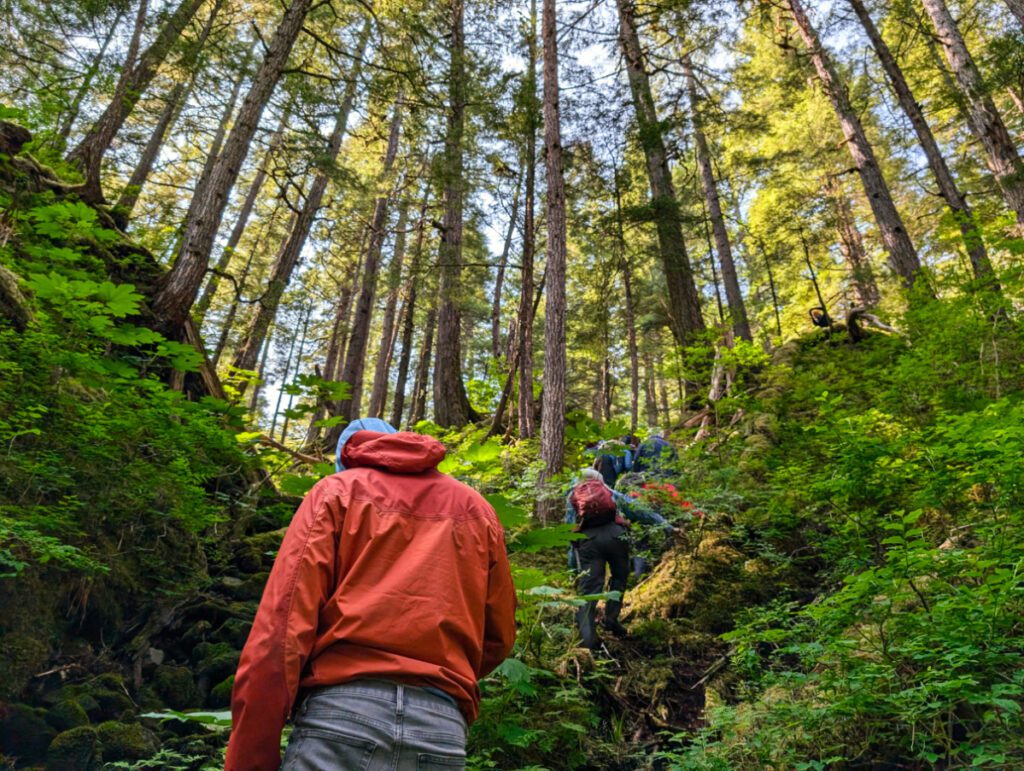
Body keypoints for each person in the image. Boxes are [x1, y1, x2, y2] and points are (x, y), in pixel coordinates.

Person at [225, 418, 517, 771]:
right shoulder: (476, 510)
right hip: (440, 729)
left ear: (347, 456)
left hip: (340, 718)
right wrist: (441, 675)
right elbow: (498, 636)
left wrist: (250, 759)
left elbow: (281, 631)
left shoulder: (334, 494)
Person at [564, 469, 672, 650]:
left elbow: (570, 530)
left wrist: (574, 568)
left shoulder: (573, 497)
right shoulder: (610, 493)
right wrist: (667, 526)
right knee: (620, 577)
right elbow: (639, 510)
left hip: (588, 542)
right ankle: (611, 619)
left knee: (589, 588)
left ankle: (588, 639)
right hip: (616, 537)